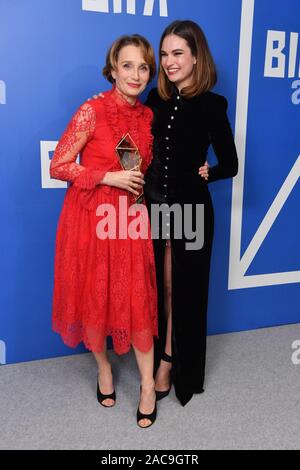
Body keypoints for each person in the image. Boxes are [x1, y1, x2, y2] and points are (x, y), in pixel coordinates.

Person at [50, 35, 158, 428]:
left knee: (138, 301)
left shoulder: (147, 116)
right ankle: (104, 370)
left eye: (144, 67)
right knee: (97, 298)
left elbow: (142, 170)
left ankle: (147, 385)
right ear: (113, 69)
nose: (136, 74)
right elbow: (59, 164)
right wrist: (107, 175)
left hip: (129, 219)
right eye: (127, 65)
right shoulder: (91, 110)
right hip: (92, 219)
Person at [143, 20, 239, 406]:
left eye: (177, 53)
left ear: (197, 57)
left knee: (186, 290)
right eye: (164, 54)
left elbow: (230, 163)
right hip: (156, 206)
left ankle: (169, 361)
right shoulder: (155, 99)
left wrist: (209, 171)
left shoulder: (213, 105)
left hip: (192, 210)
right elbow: (140, 147)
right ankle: (160, 352)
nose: (168, 61)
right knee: (162, 286)